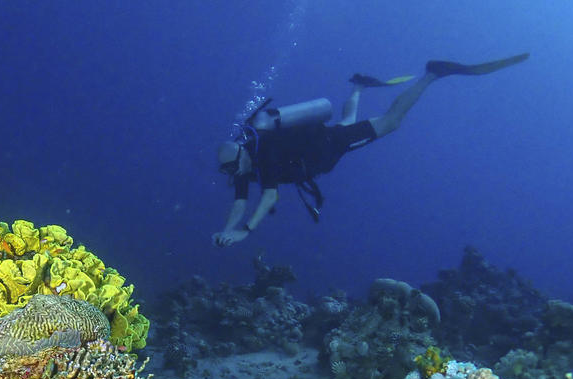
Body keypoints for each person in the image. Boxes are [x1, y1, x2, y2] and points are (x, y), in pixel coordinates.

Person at [212, 53, 529, 247]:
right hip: (324, 147)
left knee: (391, 123)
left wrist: (246, 233)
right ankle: (359, 86)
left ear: (241, 152)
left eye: (231, 167)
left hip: (327, 147)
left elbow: (269, 196)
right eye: (227, 171)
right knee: (347, 121)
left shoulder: (263, 155)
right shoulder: (241, 164)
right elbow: (239, 204)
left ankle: (433, 74)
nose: (232, 174)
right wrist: (227, 230)